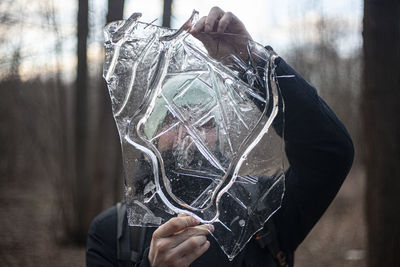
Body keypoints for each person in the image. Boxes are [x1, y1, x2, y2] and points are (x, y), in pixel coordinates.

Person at [86, 6, 354, 267]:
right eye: (172, 119)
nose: (187, 135)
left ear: (222, 134)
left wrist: (253, 60)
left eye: (204, 122)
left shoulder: (262, 210)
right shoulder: (113, 233)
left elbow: (329, 152)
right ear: (152, 136)